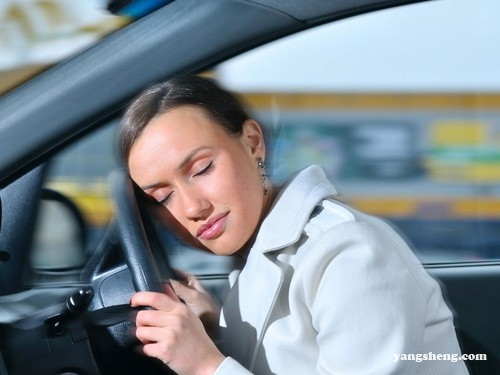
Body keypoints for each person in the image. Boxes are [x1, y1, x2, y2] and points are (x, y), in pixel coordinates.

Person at [118, 75, 469, 375]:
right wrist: (215, 327)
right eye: (163, 197)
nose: (193, 207)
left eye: (202, 169)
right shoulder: (261, 248)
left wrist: (205, 364)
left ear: (253, 142)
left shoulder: (351, 252)